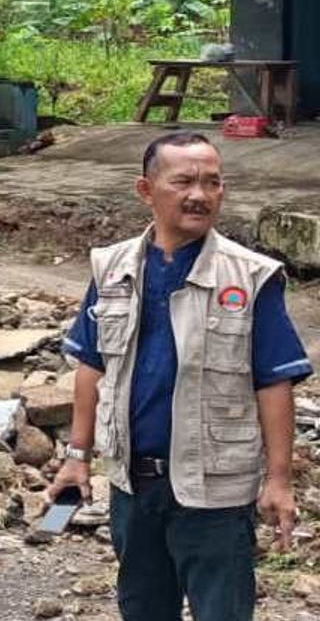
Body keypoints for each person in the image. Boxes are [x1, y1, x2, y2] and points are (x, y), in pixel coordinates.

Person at [48, 131, 313, 621]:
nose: (200, 194)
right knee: (144, 607)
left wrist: (278, 480)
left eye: (212, 183)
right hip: (134, 484)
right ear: (146, 191)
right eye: (184, 181)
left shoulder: (251, 277)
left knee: (222, 611)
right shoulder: (112, 269)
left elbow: (273, 383)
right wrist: (76, 457)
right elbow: (90, 366)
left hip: (215, 490)